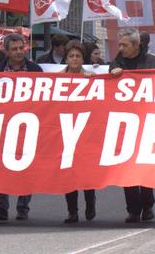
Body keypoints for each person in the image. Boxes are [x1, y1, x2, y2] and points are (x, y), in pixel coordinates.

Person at [0, 33, 42, 221]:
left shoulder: (36, 70)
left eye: (21, 48)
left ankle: (23, 207)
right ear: (7, 51)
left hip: (29, 125)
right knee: (2, 166)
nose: (19, 52)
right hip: (4, 125)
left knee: (25, 166)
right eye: (14, 49)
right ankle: (0, 206)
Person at [109, 28, 155, 223]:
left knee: (145, 167)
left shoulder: (153, 62)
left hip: (148, 121)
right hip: (125, 122)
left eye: (124, 45)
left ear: (136, 45)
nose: (120, 48)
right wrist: (113, 75)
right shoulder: (117, 63)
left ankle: (147, 205)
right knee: (127, 169)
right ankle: (133, 209)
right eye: (120, 44)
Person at [60, 41, 97, 224]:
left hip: (85, 131)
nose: (74, 59)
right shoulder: (57, 79)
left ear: (83, 59)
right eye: (71, 56)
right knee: (68, 173)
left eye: (78, 56)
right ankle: (72, 211)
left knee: (86, 172)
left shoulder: (91, 77)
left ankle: (90, 203)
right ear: (66, 59)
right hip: (65, 130)